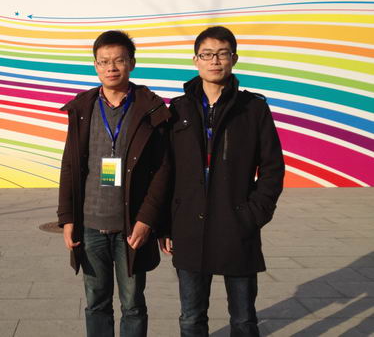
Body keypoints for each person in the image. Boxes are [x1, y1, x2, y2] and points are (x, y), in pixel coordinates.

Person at [161, 26, 285, 337]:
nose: (214, 61)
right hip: (189, 226)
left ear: (234, 58)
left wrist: (253, 214)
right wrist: (166, 224)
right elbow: (166, 170)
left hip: (237, 225)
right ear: (195, 60)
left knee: (243, 319)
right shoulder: (178, 109)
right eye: (207, 54)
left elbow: (272, 167)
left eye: (222, 54)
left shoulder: (253, 108)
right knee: (191, 319)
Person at [58, 30, 171, 337]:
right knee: (96, 302)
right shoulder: (82, 108)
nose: (111, 67)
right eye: (104, 61)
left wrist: (147, 220)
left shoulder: (149, 109)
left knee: (132, 303)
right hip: (90, 225)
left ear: (131, 63)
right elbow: (70, 166)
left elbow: (163, 171)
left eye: (119, 60)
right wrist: (67, 218)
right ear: (95, 65)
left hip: (131, 227)